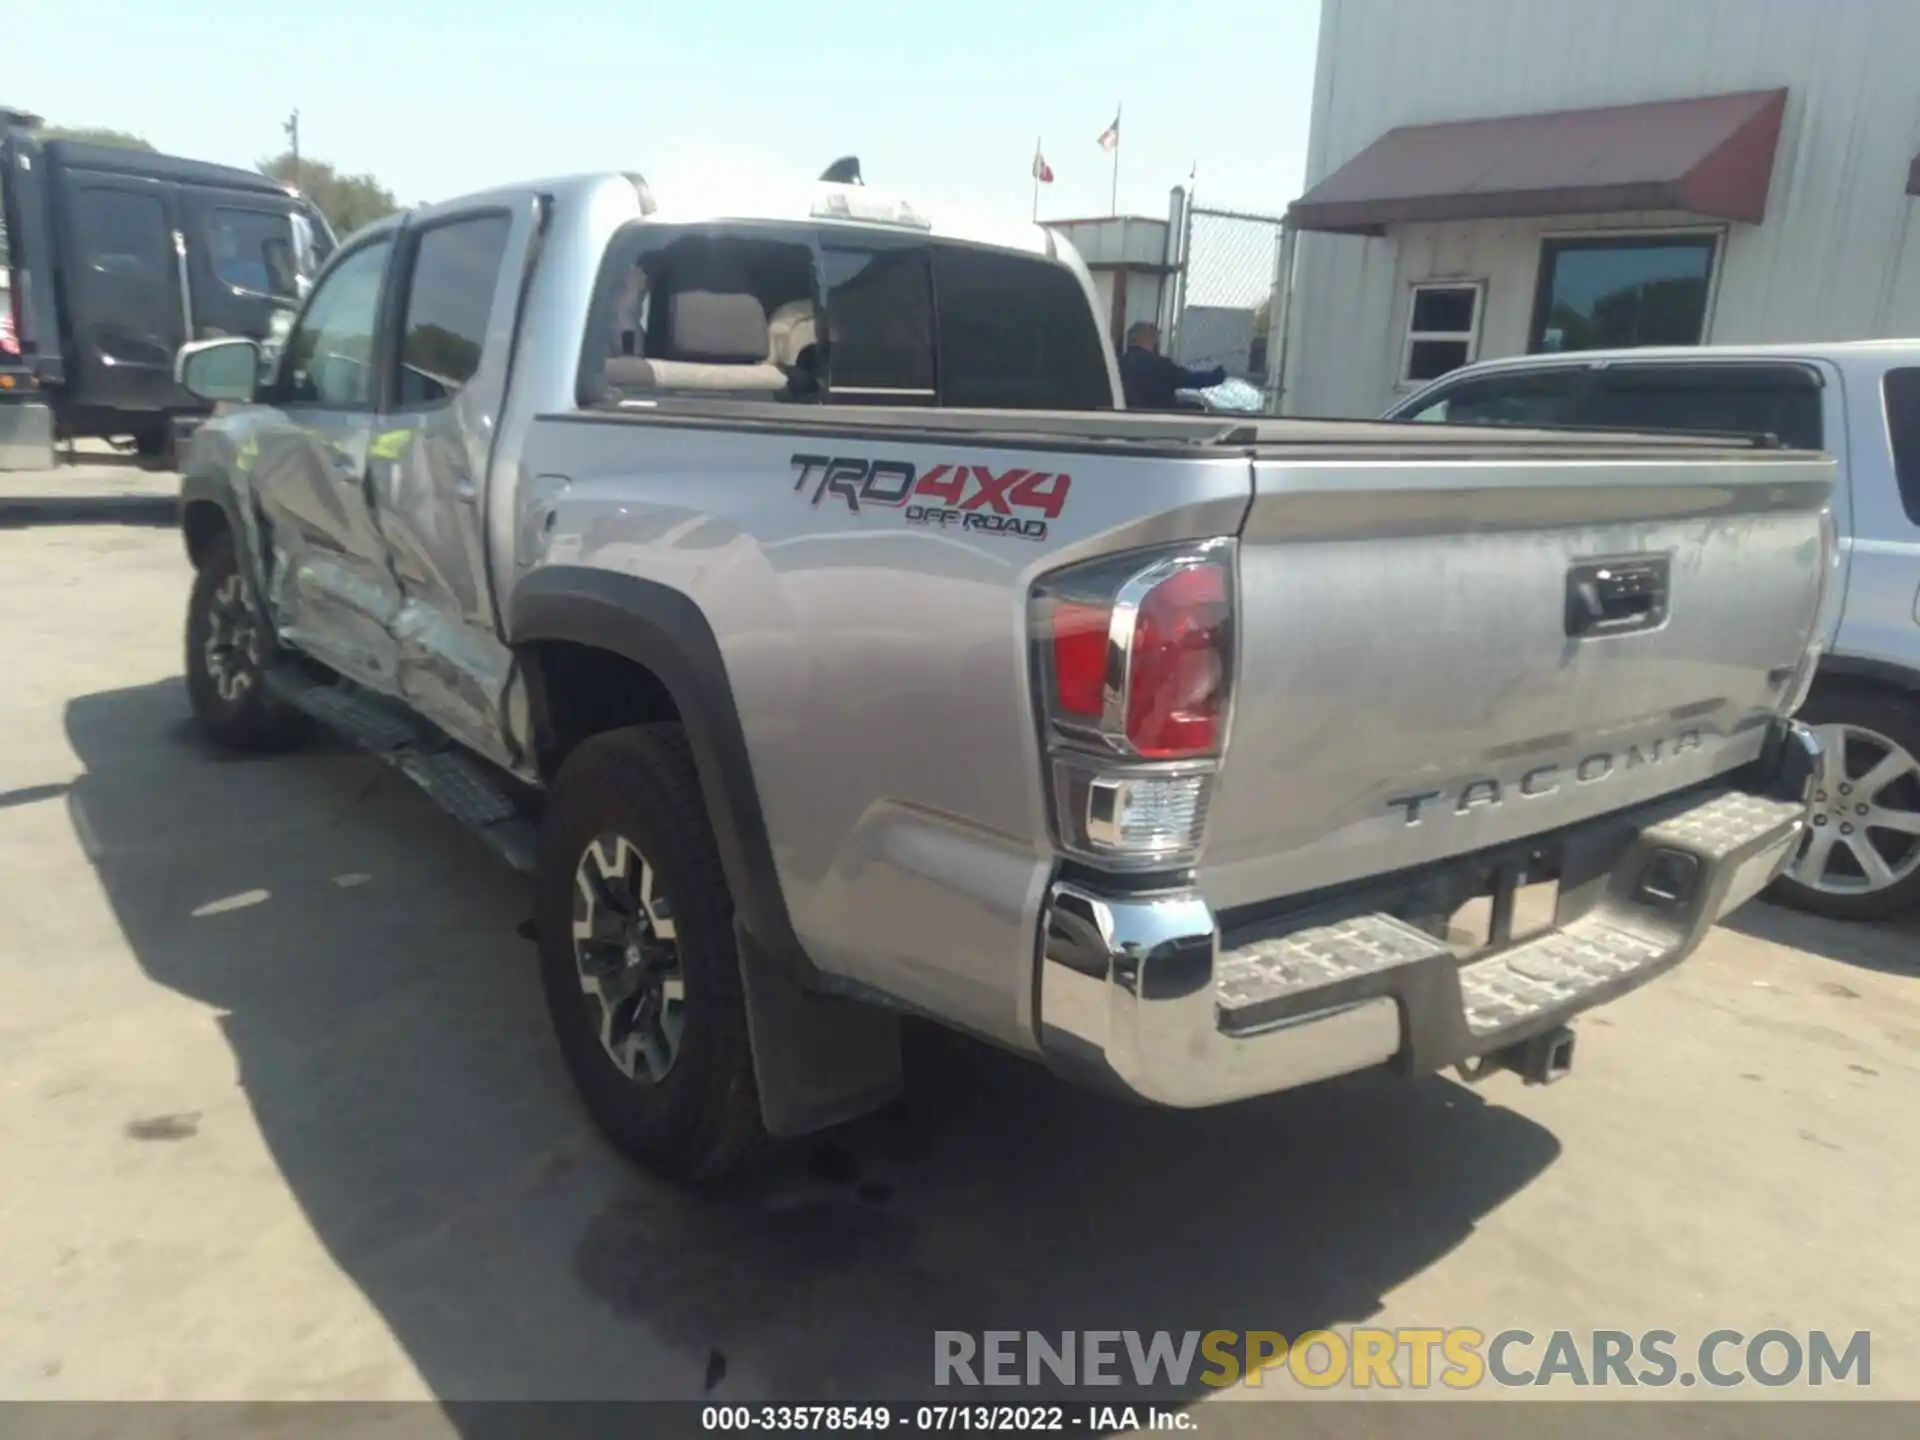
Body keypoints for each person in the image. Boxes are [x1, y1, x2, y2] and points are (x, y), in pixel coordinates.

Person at [1118, 321, 1227, 411]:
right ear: (1151, 340)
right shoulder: (1159, 364)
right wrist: (1218, 375)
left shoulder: (1119, 364)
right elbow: (1191, 380)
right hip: (1159, 417)